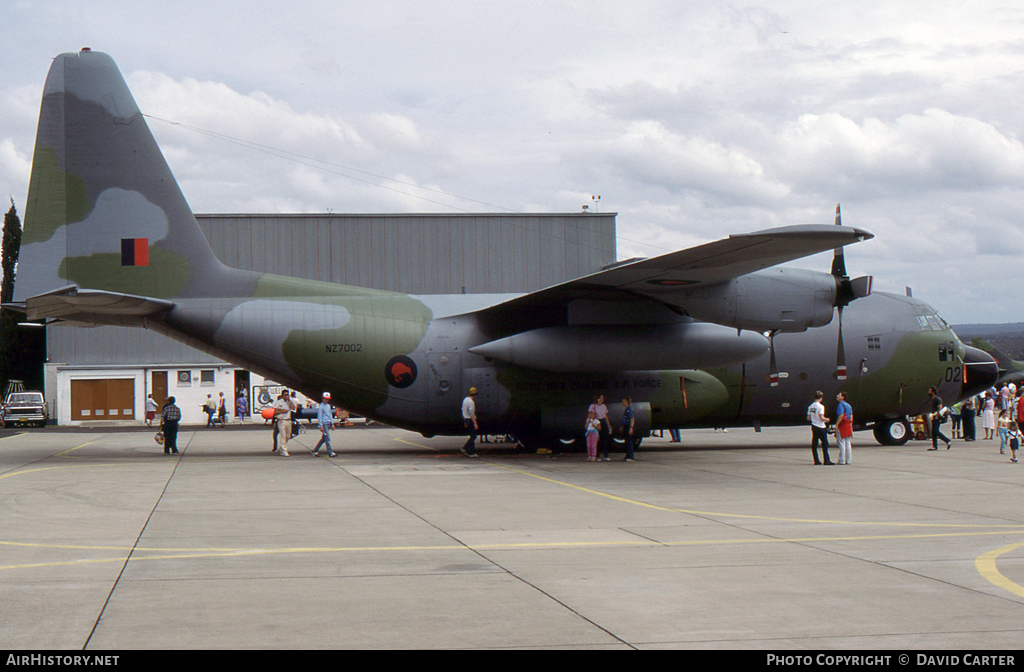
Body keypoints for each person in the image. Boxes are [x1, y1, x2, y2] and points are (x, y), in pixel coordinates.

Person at [808, 391, 832, 465]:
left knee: (814, 443)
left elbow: (808, 418)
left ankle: (816, 460)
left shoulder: (811, 406)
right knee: (824, 443)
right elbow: (821, 417)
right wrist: (827, 419)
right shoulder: (821, 406)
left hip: (814, 426)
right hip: (821, 426)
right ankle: (826, 460)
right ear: (821, 398)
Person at [311, 392, 337, 457]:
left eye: (327, 399)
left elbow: (330, 415)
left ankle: (315, 450)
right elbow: (319, 416)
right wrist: (320, 425)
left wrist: (332, 423)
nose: (326, 400)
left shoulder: (328, 406)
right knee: (327, 439)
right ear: (322, 399)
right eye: (325, 399)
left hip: (328, 423)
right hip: (324, 423)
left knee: (324, 438)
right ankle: (330, 452)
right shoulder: (321, 406)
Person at [588, 394, 611, 461]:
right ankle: (597, 455)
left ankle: (606, 455)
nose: (602, 399)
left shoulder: (603, 406)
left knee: (605, 439)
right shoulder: (593, 406)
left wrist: (608, 424)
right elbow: (590, 414)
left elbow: (605, 416)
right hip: (597, 421)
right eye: (601, 398)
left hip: (603, 421)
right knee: (597, 439)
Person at [272, 390, 295, 456]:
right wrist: (282, 411)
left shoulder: (289, 402)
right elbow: (275, 412)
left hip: (288, 420)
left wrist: (289, 401)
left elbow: (293, 408)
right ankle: (284, 451)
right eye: (285, 395)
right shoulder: (279, 402)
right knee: (283, 435)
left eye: (287, 395)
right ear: (282, 396)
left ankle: (281, 447)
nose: (286, 396)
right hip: (282, 420)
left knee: (288, 436)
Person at [835, 391, 853, 465]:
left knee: (841, 443)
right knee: (848, 443)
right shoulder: (848, 405)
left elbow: (841, 416)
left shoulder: (840, 405)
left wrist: (836, 425)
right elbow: (851, 416)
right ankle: (848, 460)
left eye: (839, 395)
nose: (837, 396)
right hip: (848, 424)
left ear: (842, 397)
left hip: (842, 425)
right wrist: (851, 425)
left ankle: (841, 460)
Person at [461, 387, 479, 457]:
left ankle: (471, 452)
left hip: (466, 419)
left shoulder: (465, 399)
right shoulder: (471, 402)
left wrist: (464, 421)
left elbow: (463, 410)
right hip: (470, 420)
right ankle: (465, 448)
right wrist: (475, 423)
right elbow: (472, 413)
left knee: (472, 436)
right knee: (473, 436)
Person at [620, 397, 636, 461]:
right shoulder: (626, 410)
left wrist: (631, 427)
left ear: (627, 402)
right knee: (626, 442)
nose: (622, 403)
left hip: (628, 426)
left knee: (629, 442)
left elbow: (632, 418)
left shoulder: (629, 410)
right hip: (625, 426)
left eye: (623, 401)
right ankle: (627, 455)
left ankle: (631, 456)